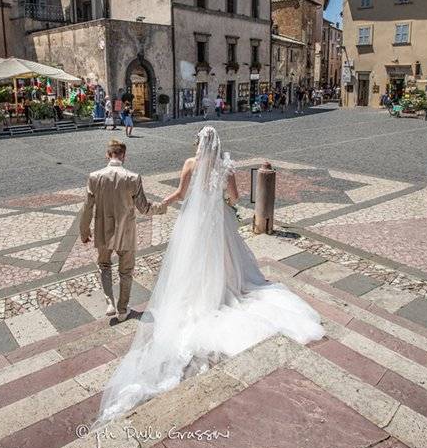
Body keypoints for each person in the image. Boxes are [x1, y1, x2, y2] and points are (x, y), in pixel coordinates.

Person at [95, 127, 323, 425]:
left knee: (191, 262)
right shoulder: (225, 167)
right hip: (218, 221)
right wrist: (226, 205)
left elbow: (179, 194)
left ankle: (198, 294)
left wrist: (158, 206)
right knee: (226, 260)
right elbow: (235, 197)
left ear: (198, 145)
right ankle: (222, 290)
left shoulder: (191, 164)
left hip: (193, 223)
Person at [80, 139, 165, 322]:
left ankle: (109, 302)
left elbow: (87, 207)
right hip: (126, 231)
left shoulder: (94, 176)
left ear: (107, 154)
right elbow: (143, 207)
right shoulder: (133, 177)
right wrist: (162, 207)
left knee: (104, 265)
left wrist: (84, 230)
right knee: (126, 271)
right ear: (124, 155)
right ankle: (123, 309)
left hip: (103, 229)